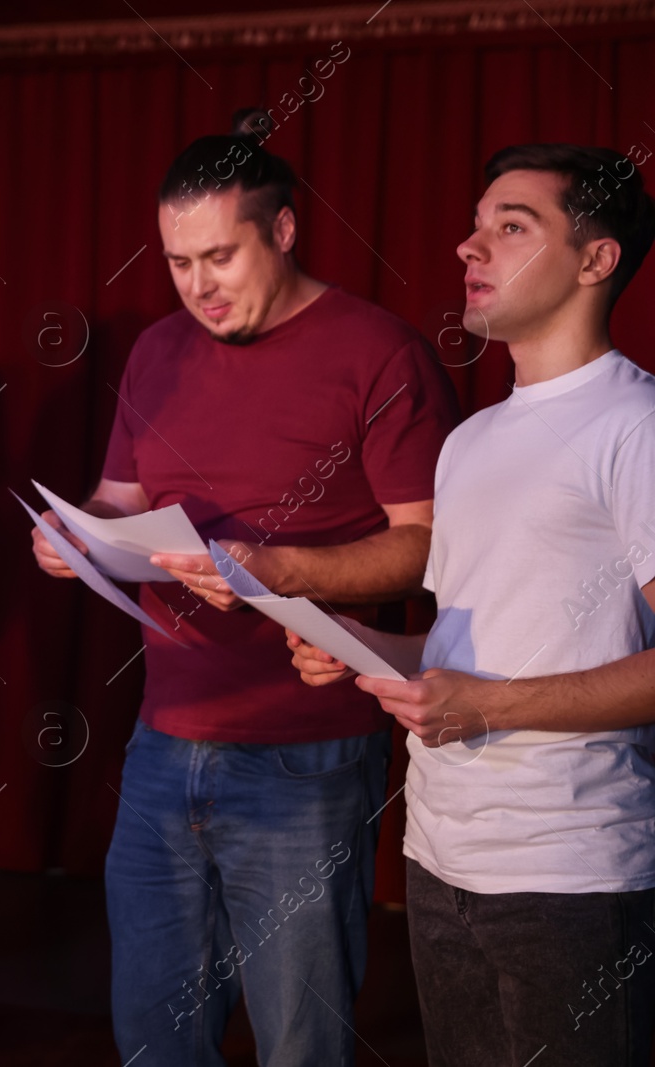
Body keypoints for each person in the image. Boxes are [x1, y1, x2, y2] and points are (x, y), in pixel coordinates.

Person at [30, 113, 460, 1064]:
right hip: (161, 743)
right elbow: (117, 498)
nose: (197, 287)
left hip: (305, 758)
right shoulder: (156, 350)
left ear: (286, 230)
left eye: (219, 256)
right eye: (178, 261)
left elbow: (427, 546)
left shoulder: (380, 352)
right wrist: (74, 535)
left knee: (302, 1039)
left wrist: (279, 568)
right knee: (153, 1030)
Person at [287, 143, 655, 1066]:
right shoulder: (473, 438)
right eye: (477, 222)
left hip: (570, 874)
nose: (467, 246)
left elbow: (487, 689)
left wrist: (485, 707)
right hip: (439, 857)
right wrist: (355, 643)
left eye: (510, 226)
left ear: (596, 259)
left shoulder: (636, 426)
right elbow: (461, 640)